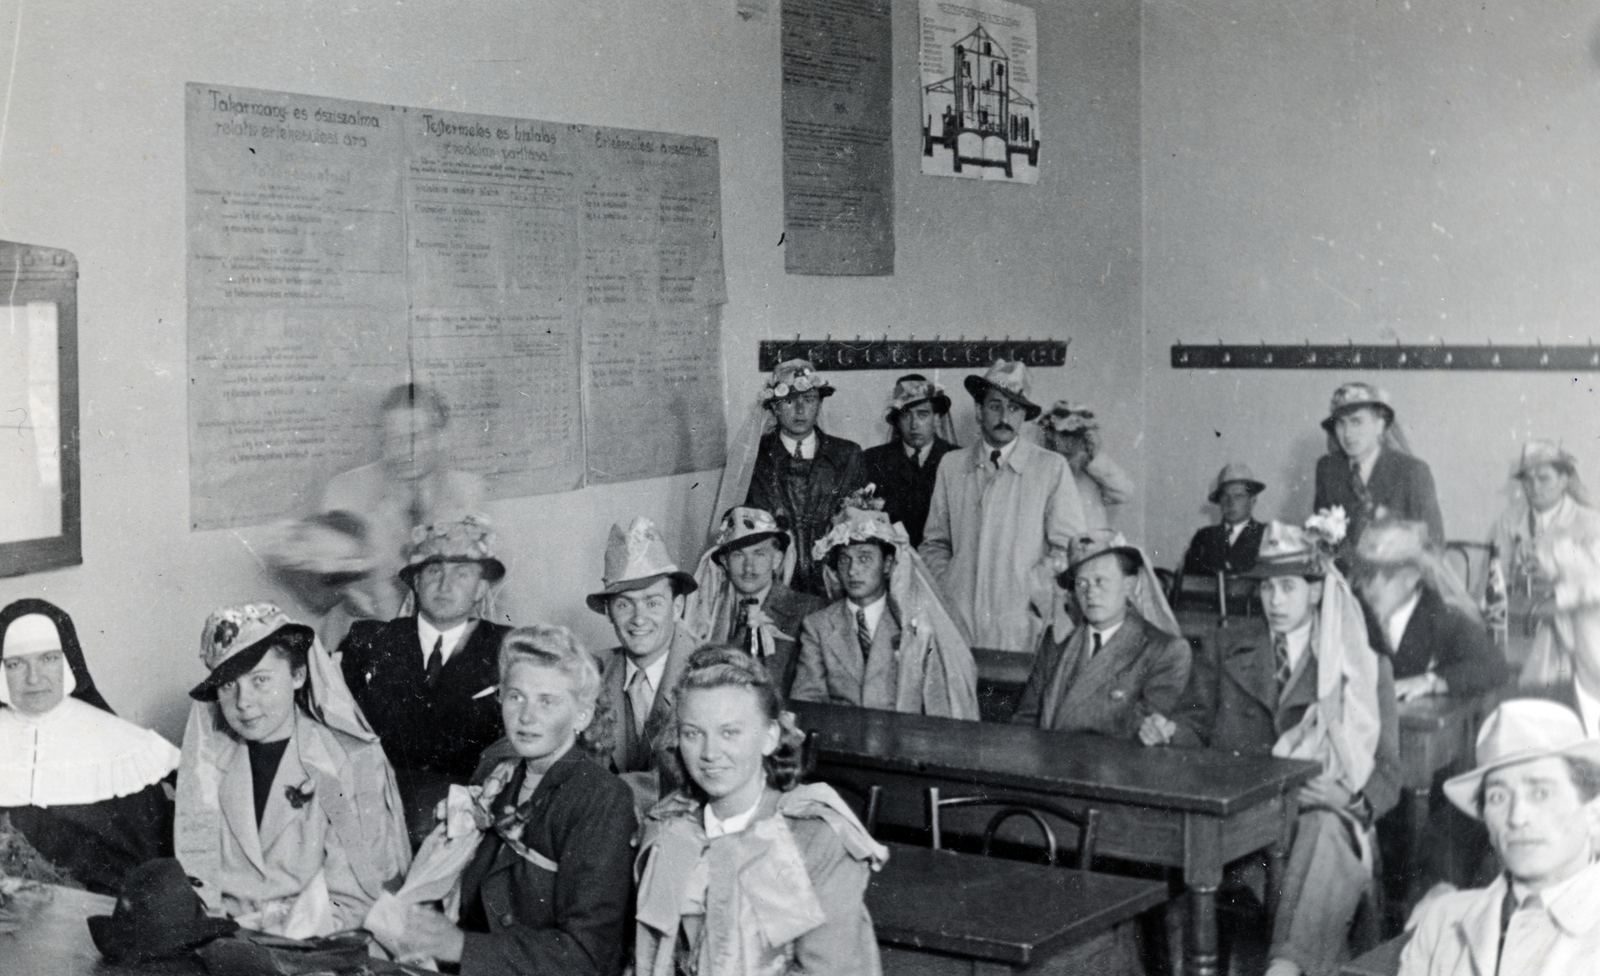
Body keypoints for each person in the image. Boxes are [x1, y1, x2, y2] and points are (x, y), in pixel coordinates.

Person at [1145, 517, 1400, 976]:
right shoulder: (1228, 644)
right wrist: (1168, 729)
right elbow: (1194, 722)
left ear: (1316, 592)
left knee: (1324, 828)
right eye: (1266, 589)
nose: (1275, 601)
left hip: (1320, 824)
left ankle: (1284, 966)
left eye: (1287, 588)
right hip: (1240, 829)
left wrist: (1350, 799)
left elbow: (1388, 772)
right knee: (1310, 872)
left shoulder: (1361, 662)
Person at [369, 625, 637, 976]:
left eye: (547, 701)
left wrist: (462, 946)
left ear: (582, 715)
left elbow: (588, 955)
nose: (526, 716)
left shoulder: (601, 798)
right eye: (515, 697)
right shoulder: (498, 776)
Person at [633, 647, 886, 976]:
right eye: (693, 734)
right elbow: (650, 958)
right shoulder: (671, 827)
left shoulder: (812, 839)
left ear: (769, 738)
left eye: (729, 732)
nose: (710, 752)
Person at [174, 603, 411, 937]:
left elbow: (357, 898)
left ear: (298, 675)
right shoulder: (207, 760)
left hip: (318, 940)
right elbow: (199, 876)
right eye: (228, 685)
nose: (243, 701)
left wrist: (269, 940)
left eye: (260, 680)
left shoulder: (352, 762)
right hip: (223, 938)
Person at [339, 515, 512, 846]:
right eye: (434, 571)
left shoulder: (507, 648)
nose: (445, 586)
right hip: (376, 817)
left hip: (471, 826)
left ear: (481, 588)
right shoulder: (368, 642)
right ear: (416, 582)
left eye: (462, 574)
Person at [1400, 699, 1600, 975]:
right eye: (1498, 797)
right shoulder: (1441, 922)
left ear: (1593, 813)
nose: (1516, 817)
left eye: (1541, 793)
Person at [0, 599, 181, 894]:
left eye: (48, 658)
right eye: (16, 664)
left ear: (68, 663)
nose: (34, 678)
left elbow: (147, 865)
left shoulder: (125, 749)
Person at [920, 360, 1086, 653]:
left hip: (1021, 624)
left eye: (1014, 408)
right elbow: (934, 544)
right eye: (995, 406)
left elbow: (1070, 548)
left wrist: (1033, 589)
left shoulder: (1050, 468)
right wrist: (951, 586)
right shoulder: (952, 465)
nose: (1005, 417)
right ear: (979, 410)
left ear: (1024, 416)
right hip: (959, 621)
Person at [791, 495, 980, 718]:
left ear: (888, 565)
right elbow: (806, 701)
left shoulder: (912, 622)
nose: (852, 570)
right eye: (844, 559)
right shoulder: (818, 626)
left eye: (864, 558)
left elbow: (935, 703)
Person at [320, 383, 484, 627]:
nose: (403, 451)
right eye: (392, 439)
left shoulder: (468, 489)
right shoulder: (346, 491)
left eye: (414, 437)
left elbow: (485, 585)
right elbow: (334, 592)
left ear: (441, 437)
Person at [1011, 530, 1190, 739]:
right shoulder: (1056, 643)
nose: (1090, 593)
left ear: (1129, 586)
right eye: (1081, 583)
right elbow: (1025, 721)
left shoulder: (1164, 651)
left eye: (1100, 581)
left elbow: (1147, 738)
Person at [589, 517, 701, 815]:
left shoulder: (710, 672)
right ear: (609, 612)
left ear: (677, 608)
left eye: (653, 603)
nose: (639, 619)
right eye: (624, 604)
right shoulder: (591, 670)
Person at [745, 360, 867, 597]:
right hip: (774, 583)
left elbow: (859, 525)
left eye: (809, 399)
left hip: (836, 582)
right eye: (790, 400)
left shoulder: (847, 455)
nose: (800, 409)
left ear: (819, 404)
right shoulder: (755, 458)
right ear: (774, 407)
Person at [1352, 519, 1506, 701]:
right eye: (1363, 573)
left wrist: (1431, 681)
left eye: (1378, 575)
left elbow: (1494, 666)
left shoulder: (1440, 616)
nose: (1367, 586)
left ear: (1411, 577)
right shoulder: (1354, 609)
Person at [683, 506, 824, 697]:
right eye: (738, 555)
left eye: (759, 554)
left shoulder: (810, 612)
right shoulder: (709, 615)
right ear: (725, 562)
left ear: (777, 559)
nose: (748, 567)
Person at [1313, 382, 1444, 559]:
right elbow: (1321, 538)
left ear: (1379, 426)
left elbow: (1434, 548)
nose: (1348, 433)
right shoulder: (1328, 469)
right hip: (1339, 575)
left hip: (1397, 575)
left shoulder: (1413, 472)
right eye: (1341, 423)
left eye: (1357, 422)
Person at [1488, 440, 1600, 596]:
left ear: (1563, 481)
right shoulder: (1509, 521)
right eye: (1528, 479)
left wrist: (1555, 578)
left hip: (1570, 609)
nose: (1534, 487)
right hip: (1520, 607)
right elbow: (1497, 576)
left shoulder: (1590, 522)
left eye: (1544, 478)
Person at [860, 374, 958, 547]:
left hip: (942, 558)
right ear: (897, 421)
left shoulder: (956, 459)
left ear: (936, 418)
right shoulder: (873, 459)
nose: (914, 425)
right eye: (906, 415)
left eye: (922, 414)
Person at [1037, 400, 1135, 531]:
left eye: (1077, 435)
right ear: (1051, 434)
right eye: (1064, 435)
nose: (1071, 441)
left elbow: (1124, 493)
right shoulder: (1042, 466)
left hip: (1088, 539)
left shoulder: (1092, 469)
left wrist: (1094, 457)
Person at [1181, 462, 1269, 577]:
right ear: (1219, 501)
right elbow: (1188, 582)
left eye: (1238, 496)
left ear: (1252, 500)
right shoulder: (1204, 537)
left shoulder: (1266, 535)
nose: (1230, 503)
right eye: (1225, 496)